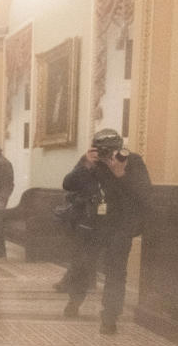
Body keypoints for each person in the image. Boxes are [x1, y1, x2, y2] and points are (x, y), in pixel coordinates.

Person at [62, 128, 151, 334]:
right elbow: (68, 184)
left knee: (116, 272)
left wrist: (120, 174)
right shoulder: (90, 162)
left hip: (120, 225)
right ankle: (74, 301)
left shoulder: (133, 161)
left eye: (110, 150)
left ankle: (110, 317)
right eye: (101, 150)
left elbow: (145, 193)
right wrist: (85, 164)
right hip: (93, 224)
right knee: (82, 266)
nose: (107, 154)